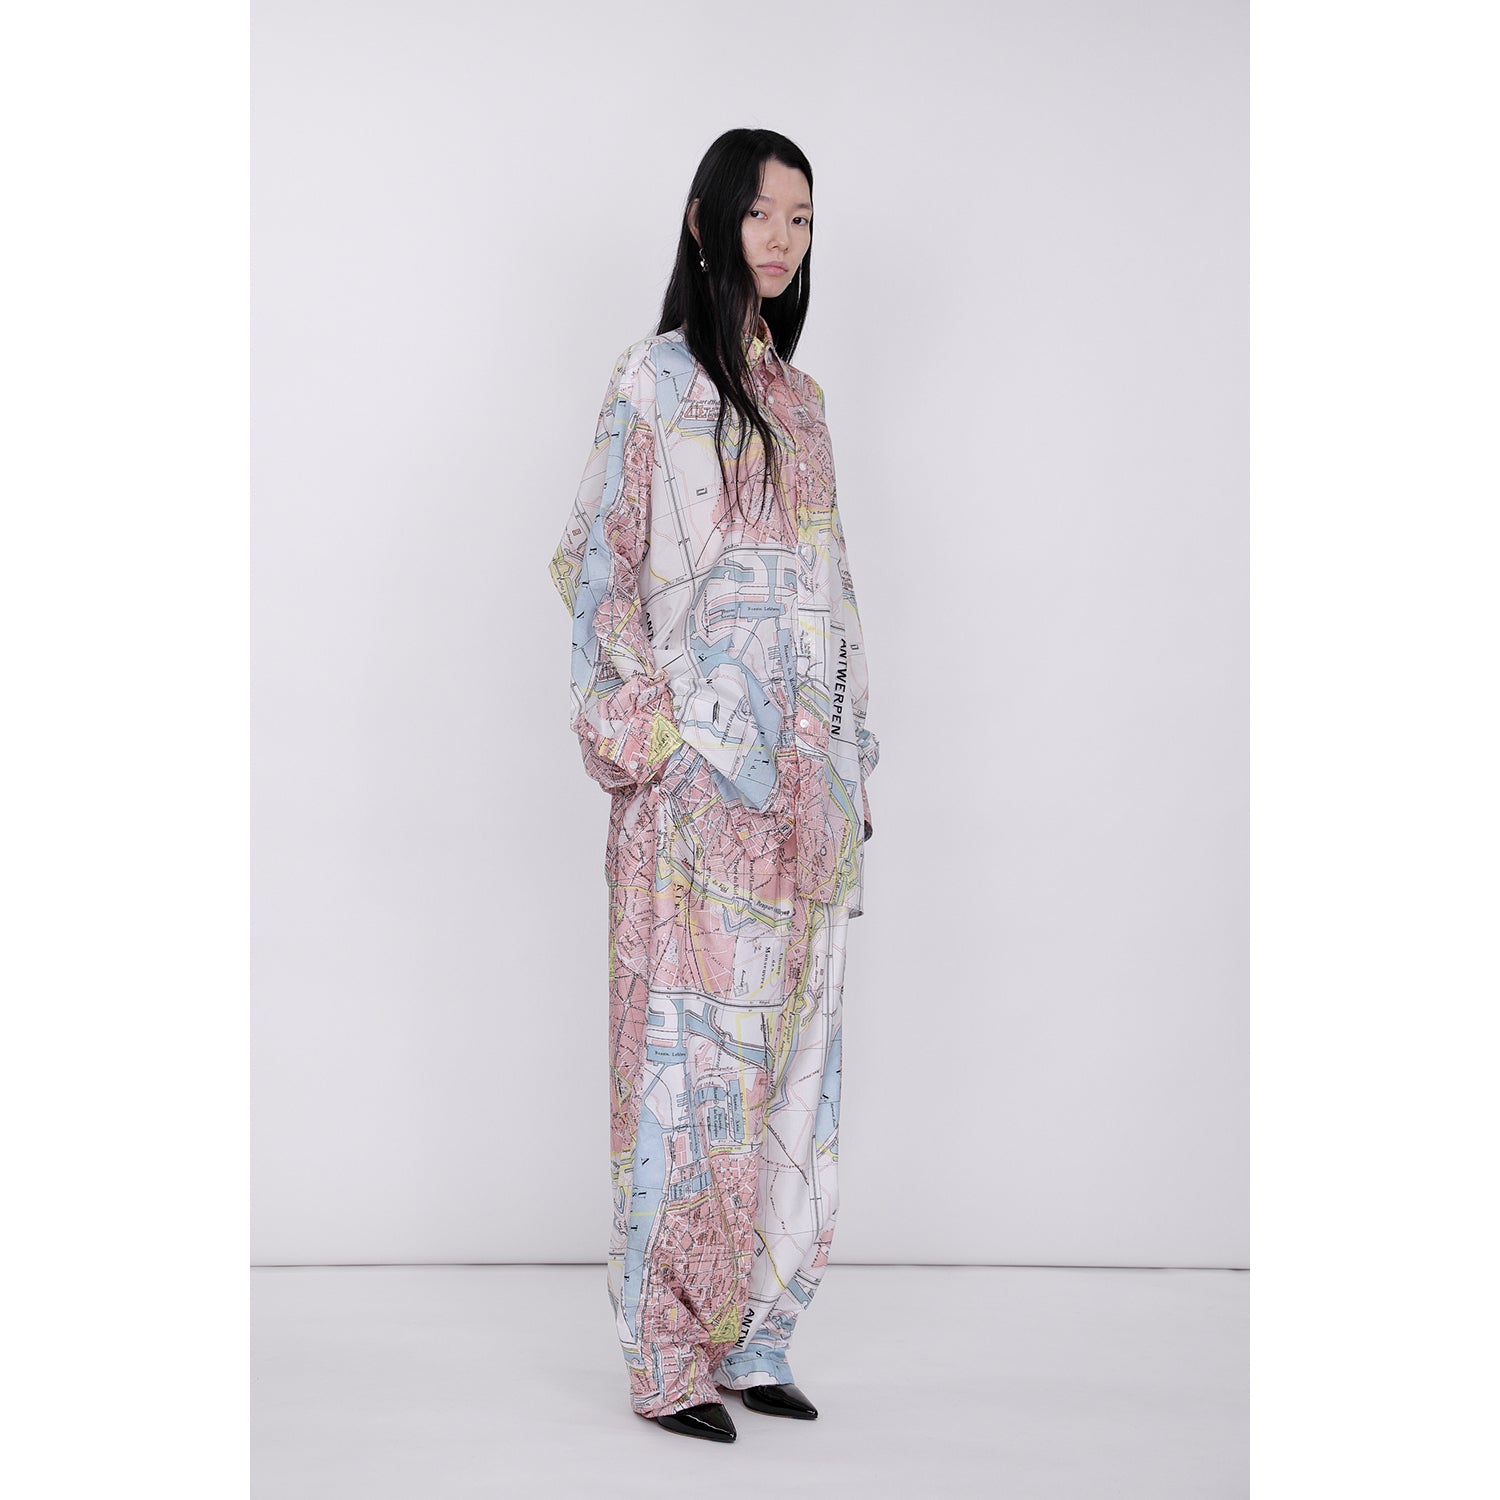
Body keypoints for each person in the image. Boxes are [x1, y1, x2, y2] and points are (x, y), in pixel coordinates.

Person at [548, 128, 881, 1443]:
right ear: (704, 220)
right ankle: (669, 1355)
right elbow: (599, 569)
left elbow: (834, 593)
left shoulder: (803, 405)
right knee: (685, 1077)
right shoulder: (653, 383)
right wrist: (661, 736)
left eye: (802, 217)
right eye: (760, 212)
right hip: (693, 809)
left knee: (794, 1075)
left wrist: (850, 764)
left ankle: (756, 1337)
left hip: (805, 807)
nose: (782, 238)